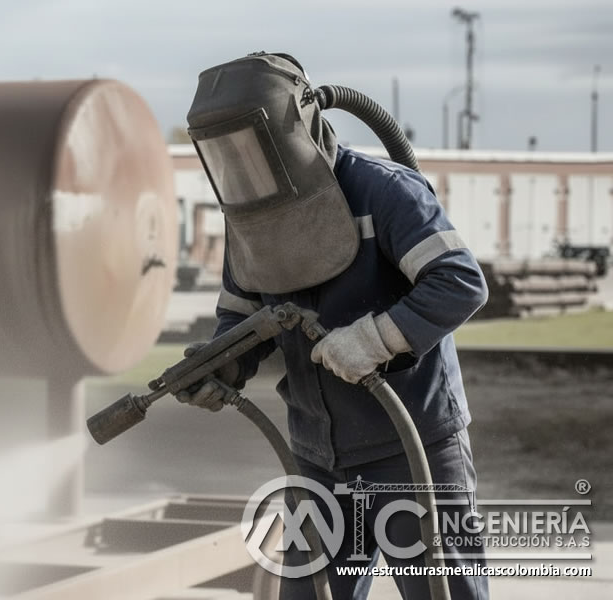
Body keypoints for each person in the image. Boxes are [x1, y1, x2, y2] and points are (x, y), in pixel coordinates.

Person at [180, 52, 490, 600]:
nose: (244, 167)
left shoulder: (382, 190)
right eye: (227, 152)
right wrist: (221, 364)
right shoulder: (248, 220)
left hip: (411, 448)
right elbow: (242, 317)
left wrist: (376, 339)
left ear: (291, 129)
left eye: (251, 146)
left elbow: (460, 282)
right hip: (318, 458)